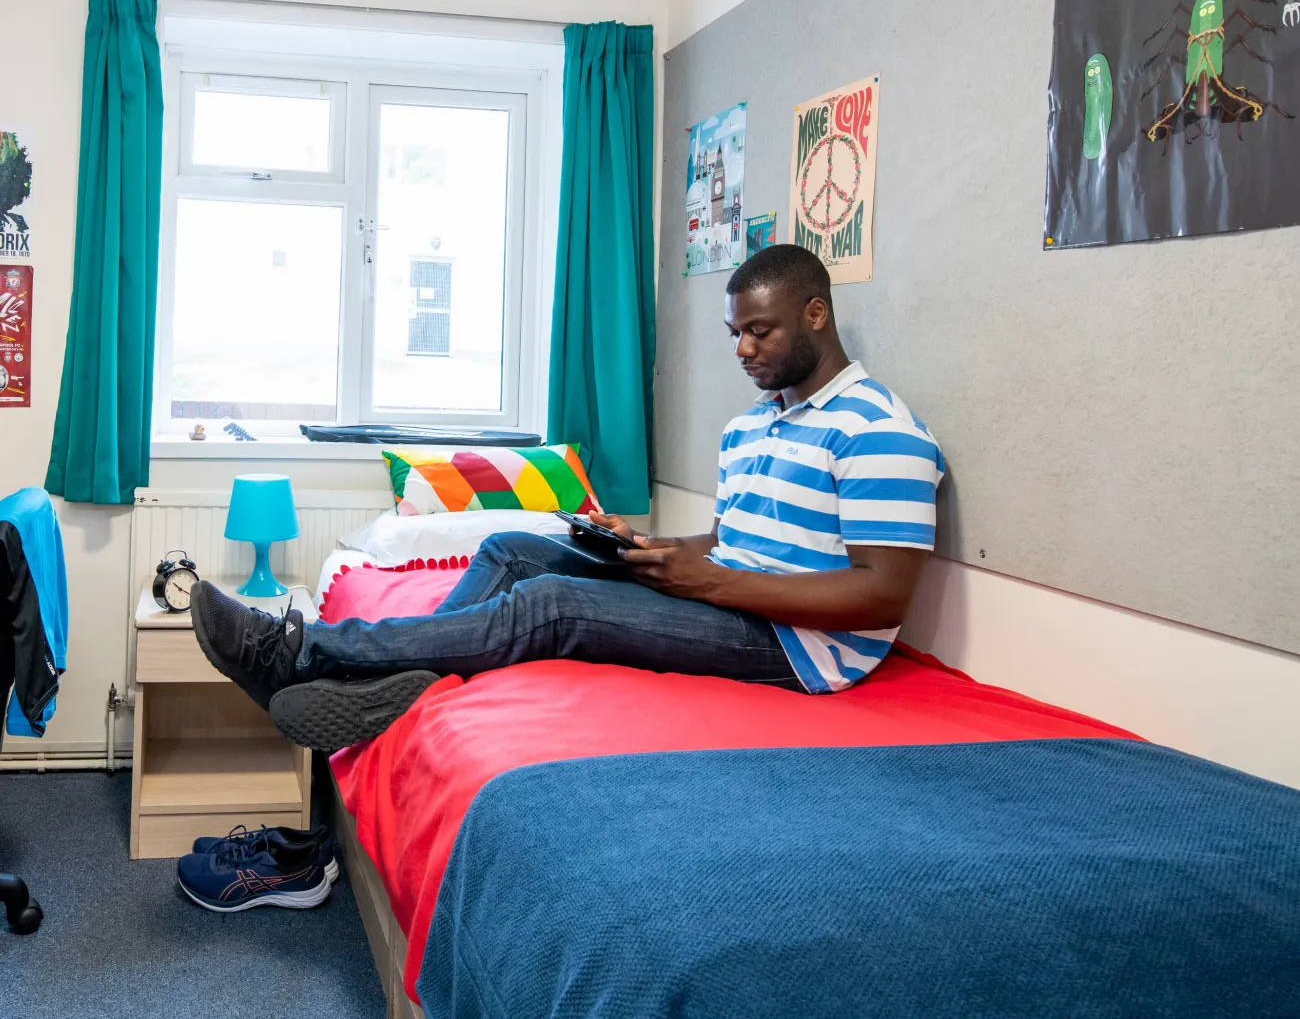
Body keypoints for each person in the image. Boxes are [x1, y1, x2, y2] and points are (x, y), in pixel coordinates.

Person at [191, 244, 945, 752]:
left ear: (816, 314)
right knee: (508, 548)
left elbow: (881, 597)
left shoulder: (879, 430)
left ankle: (301, 650)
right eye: (734, 334)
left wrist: (709, 581)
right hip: (738, 595)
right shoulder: (752, 427)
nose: (743, 349)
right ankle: (402, 680)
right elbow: (728, 540)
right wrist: (651, 549)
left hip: (800, 648)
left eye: (759, 331)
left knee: (554, 604)